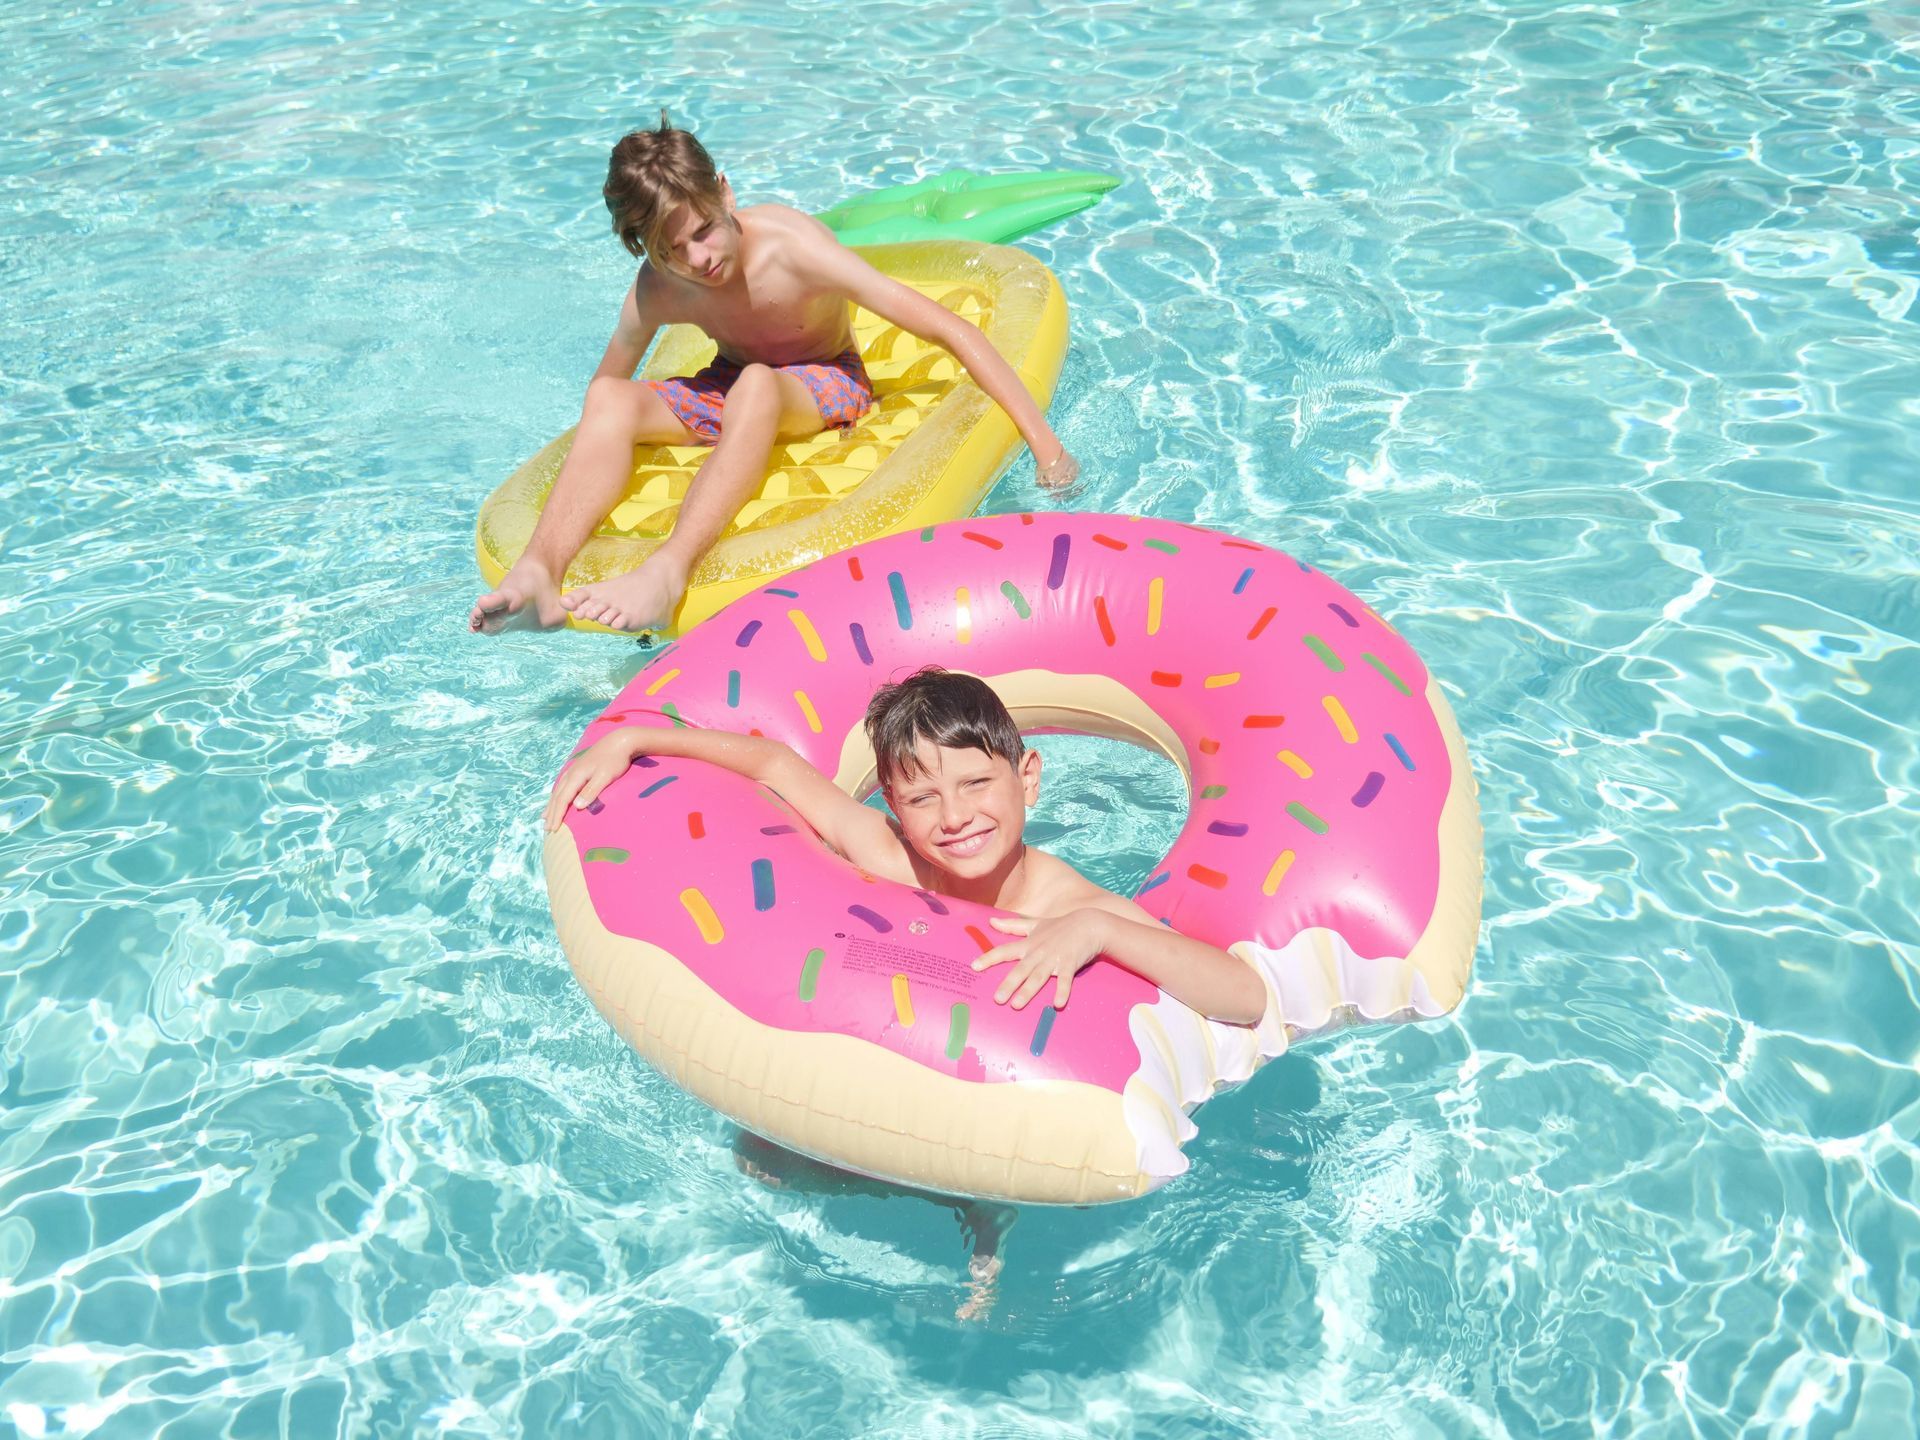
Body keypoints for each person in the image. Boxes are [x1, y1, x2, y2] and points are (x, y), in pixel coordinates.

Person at [472, 117, 1081, 636]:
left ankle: (668, 568)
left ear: (726, 195)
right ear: (643, 250)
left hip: (827, 381)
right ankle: (540, 573)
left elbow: (950, 330)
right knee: (611, 396)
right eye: (671, 251)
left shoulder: (793, 251)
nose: (698, 260)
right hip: (728, 381)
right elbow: (603, 398)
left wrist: (1046, 448)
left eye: (704, 231)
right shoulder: (658, 290)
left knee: (759, 382)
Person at [542, 667, 1267, 1024]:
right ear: (890, 803)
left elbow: (1243, 997)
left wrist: (1103, 930)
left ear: (1028, 779)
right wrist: (635, 736)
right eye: (922, 797)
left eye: (978, 785)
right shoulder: (889, 855)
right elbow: (776, 767)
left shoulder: (1067, 903)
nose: (955, 817)